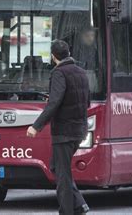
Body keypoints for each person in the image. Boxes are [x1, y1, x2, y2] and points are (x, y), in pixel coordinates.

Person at [26, 40, 90, 215]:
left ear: (53, 57)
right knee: (56, 167)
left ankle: (67, 211)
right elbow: (86, 102)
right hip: (79, 130)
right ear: (68, 53)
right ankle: (79, 205)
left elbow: (54, 103)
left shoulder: (59, 73)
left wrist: (36, 126)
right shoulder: (81, 72)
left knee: (61, 175)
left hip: (64, 132)